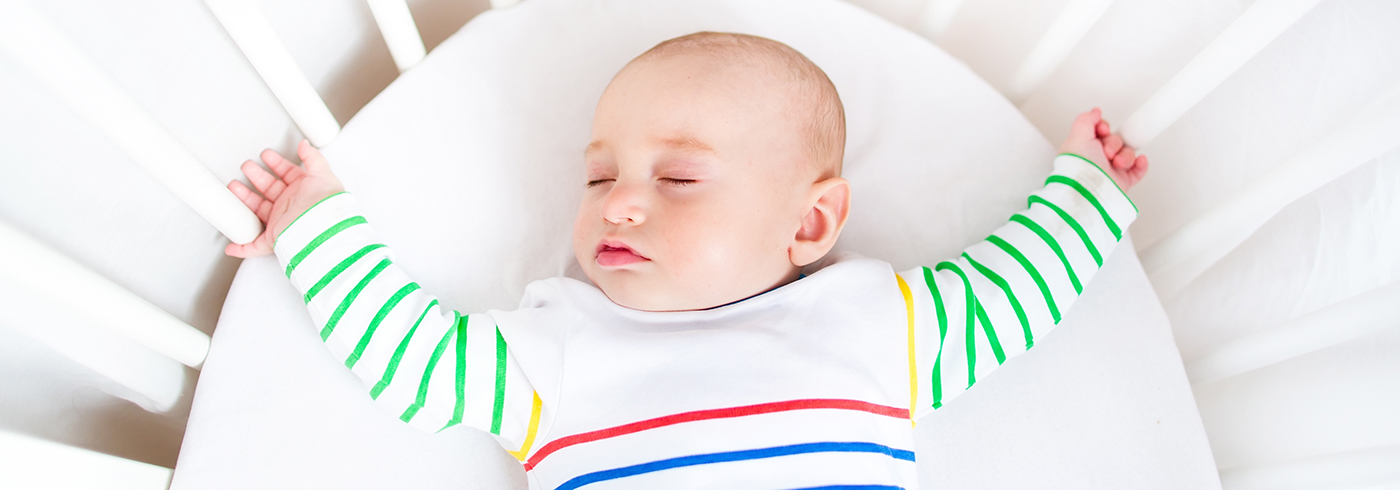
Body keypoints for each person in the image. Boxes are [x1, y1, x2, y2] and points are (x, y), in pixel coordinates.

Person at [223, 32, 1148, 489]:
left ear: (810, 222)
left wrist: (1088, 190)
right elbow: (413, 361)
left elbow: (1018, 285)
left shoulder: (876, 322)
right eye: (599, 177)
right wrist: (315, 225)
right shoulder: (557, 348)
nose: (621, 200)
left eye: (678, 178)